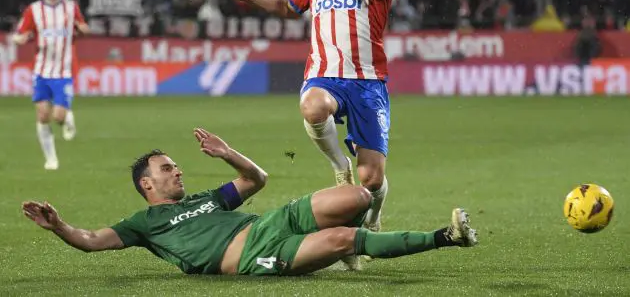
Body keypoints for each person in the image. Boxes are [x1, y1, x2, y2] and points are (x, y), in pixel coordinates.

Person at [213, 0, 402, 268]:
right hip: (324, 75)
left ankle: (374, 213)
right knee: (312, 107)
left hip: (367, 83)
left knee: (372, 181)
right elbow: (288, 6)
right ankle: (337, 166)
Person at [22, 129, 477, 276]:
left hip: (274, 220)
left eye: (176, 166)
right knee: (344, 239)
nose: (177, 171)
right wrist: (59, 225)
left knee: (359, 194)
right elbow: (93, 241)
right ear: (147, 184)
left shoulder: (204, 199)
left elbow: (256, 179)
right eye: (167, 169)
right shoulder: (143, 224)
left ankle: (352, 243)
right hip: (255, 254)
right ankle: (447, 237)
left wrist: (227, 153)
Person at [10, 0, 90, 170]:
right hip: (41, 71)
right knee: (43, 116)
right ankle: (51, 159)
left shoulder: (71, 7)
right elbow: (20, 34)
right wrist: (19, 39)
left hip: (63, 71)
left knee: (58, 117)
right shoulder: (34, 10)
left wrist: (83, 29)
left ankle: (67, 117)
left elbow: (84, 27)